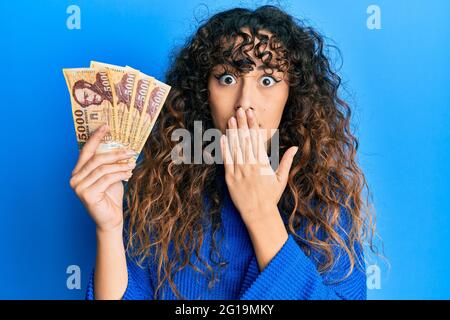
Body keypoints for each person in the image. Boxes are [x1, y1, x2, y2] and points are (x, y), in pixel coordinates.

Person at [69, 5, 378, 300]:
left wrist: (260, 213)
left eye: (267, 80)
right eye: (227, 78)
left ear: (292, 96)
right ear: (205, 93)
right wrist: (109, 230)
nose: (245, 102)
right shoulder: (162, 190)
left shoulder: (324, 202)